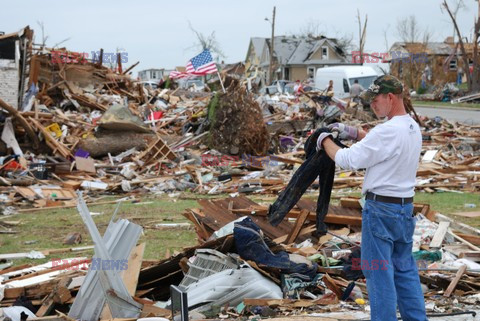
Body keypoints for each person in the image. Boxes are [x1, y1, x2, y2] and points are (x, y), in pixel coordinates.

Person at [316, 75, 427, 321]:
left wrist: (323, 140)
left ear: (390, 97)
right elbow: (383, 144)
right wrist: (354, 133)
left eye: (375, 100)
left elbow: (347, 160)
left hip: (381, 211)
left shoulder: (386, 131)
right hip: (404, 209)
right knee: (404, 270)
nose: (372, 106)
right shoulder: (410, 127)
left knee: (379, 274)